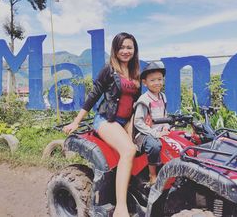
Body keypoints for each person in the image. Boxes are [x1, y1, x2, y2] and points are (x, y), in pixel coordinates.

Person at [63, 32, 140, 217]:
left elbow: (135, 105)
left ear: (134, 49)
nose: (125, 51)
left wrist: (132, 128)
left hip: (126, 122)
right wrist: (76, 121)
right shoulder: (109, 69)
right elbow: (93, 95)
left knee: (143, 150)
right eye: (121, 47)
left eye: (129, 47)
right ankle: (121, 208)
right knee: (129, 150)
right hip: (106, 120)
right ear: (115, 49)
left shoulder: (136, 72)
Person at [133, 61, 169, 186]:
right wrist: (154, 133)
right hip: (144, 133)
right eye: (152, 80)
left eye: (159, 79)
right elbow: (138, 122)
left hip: (160, 130)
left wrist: (166, 127)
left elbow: (165, 115)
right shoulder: (144, 100)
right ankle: (152, 175)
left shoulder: (163, 96)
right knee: (154, 146)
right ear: (145, 82)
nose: (157, 83)